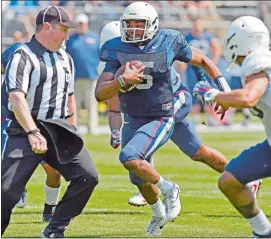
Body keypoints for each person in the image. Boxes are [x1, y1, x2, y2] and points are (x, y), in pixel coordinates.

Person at [95, 1, 233, 235]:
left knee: (130, 156)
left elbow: (202, 60)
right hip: (137, 114)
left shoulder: (168, 40)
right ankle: (158, 214)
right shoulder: (115, 48)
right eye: (130, 25)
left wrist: (224, 91)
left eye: (140, 24)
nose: (134, 30)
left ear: (153, 25)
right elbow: (101, 93)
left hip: (165, 109)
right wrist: (121, 82)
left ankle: (170, 189)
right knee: (139, 177)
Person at [99, 20, 262, 211]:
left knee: (143, 142)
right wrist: (115, 130)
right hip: (151, 109)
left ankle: (157, 184)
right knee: (197, 152)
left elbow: (197, 58)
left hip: (174, 101)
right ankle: (245, 178)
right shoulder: (112, 66)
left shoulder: (160, 44)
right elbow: (113, 105)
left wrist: (207, 82)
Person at [1, 6, 98, 237]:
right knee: (6, 192)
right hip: (25, 129)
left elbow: (70, 98)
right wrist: (33, 131)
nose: (67, 34)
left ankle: (55, 229)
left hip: (59, 129)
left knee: (87, 176)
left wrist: (73, 129)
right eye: (63, 29)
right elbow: (16, 97)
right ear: (47, 26)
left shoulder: (66, 58)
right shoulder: (22, 55)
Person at [193, 16, 271, 237]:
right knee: (230, 180)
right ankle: (263, 231)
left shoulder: (258, 61)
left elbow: (249, 97)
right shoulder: (260, 62)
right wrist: (225, 99)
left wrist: (214, 94)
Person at [1, 42, 62, 222]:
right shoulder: (18, 51)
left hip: (43, 121)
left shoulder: (61, 56)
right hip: (13, 120)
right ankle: (19, 188)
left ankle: (50, 208)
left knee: (54, 170)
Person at [183, 17, 222, 125]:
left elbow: (217, 49)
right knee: (193, 91)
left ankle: (209, 117)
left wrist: (212, 62)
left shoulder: (208, 37)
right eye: (195, 24)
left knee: (207, 92)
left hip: (204, 68)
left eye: (199, 24)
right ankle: (196, 118)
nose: (197, 26)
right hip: (191, 68)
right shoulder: (187, 37)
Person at [66, 13, 100, 134]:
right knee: (75, 104)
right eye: (78, 24)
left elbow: (99, 55)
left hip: (91, 76)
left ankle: (93, 127)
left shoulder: (95, 38)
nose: (80, 26)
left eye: (82, 23)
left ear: (86, 24)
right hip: (75, 77)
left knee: (92, 103)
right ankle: (77, 126)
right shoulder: (70, 39)